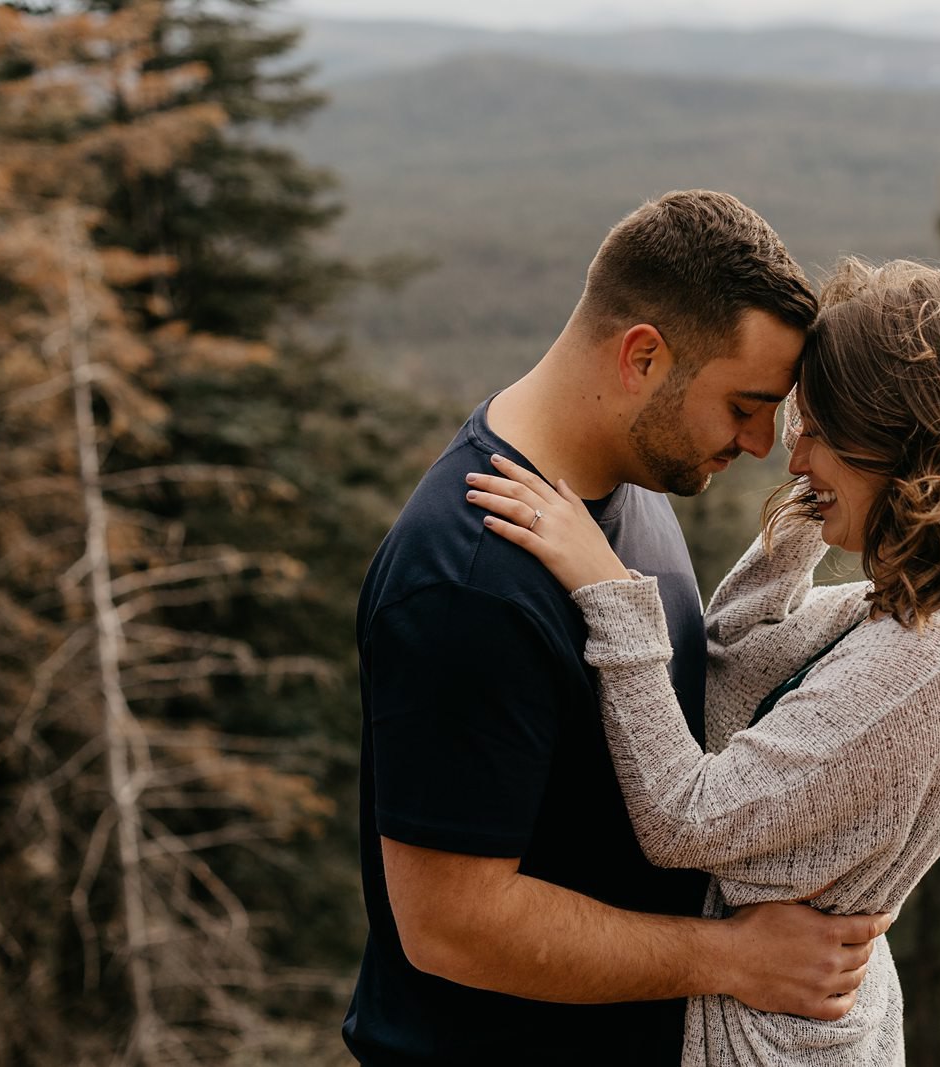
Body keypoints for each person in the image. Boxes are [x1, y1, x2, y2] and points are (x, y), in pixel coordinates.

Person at [344, 192, 893, 1066]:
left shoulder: (628, 482)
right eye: (746, 405)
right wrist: (735, 960)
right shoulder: (468, 581)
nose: (761, 444)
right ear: (643, 356)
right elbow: (451, 927)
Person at [466, 257, 940, 1065]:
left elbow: (682, 818)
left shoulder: (926, 661)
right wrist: (812, 514)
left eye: (820, 435)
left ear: (893, 449)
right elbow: (730, 667)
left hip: (765, 1040)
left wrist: (606, 586)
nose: (793, 457)